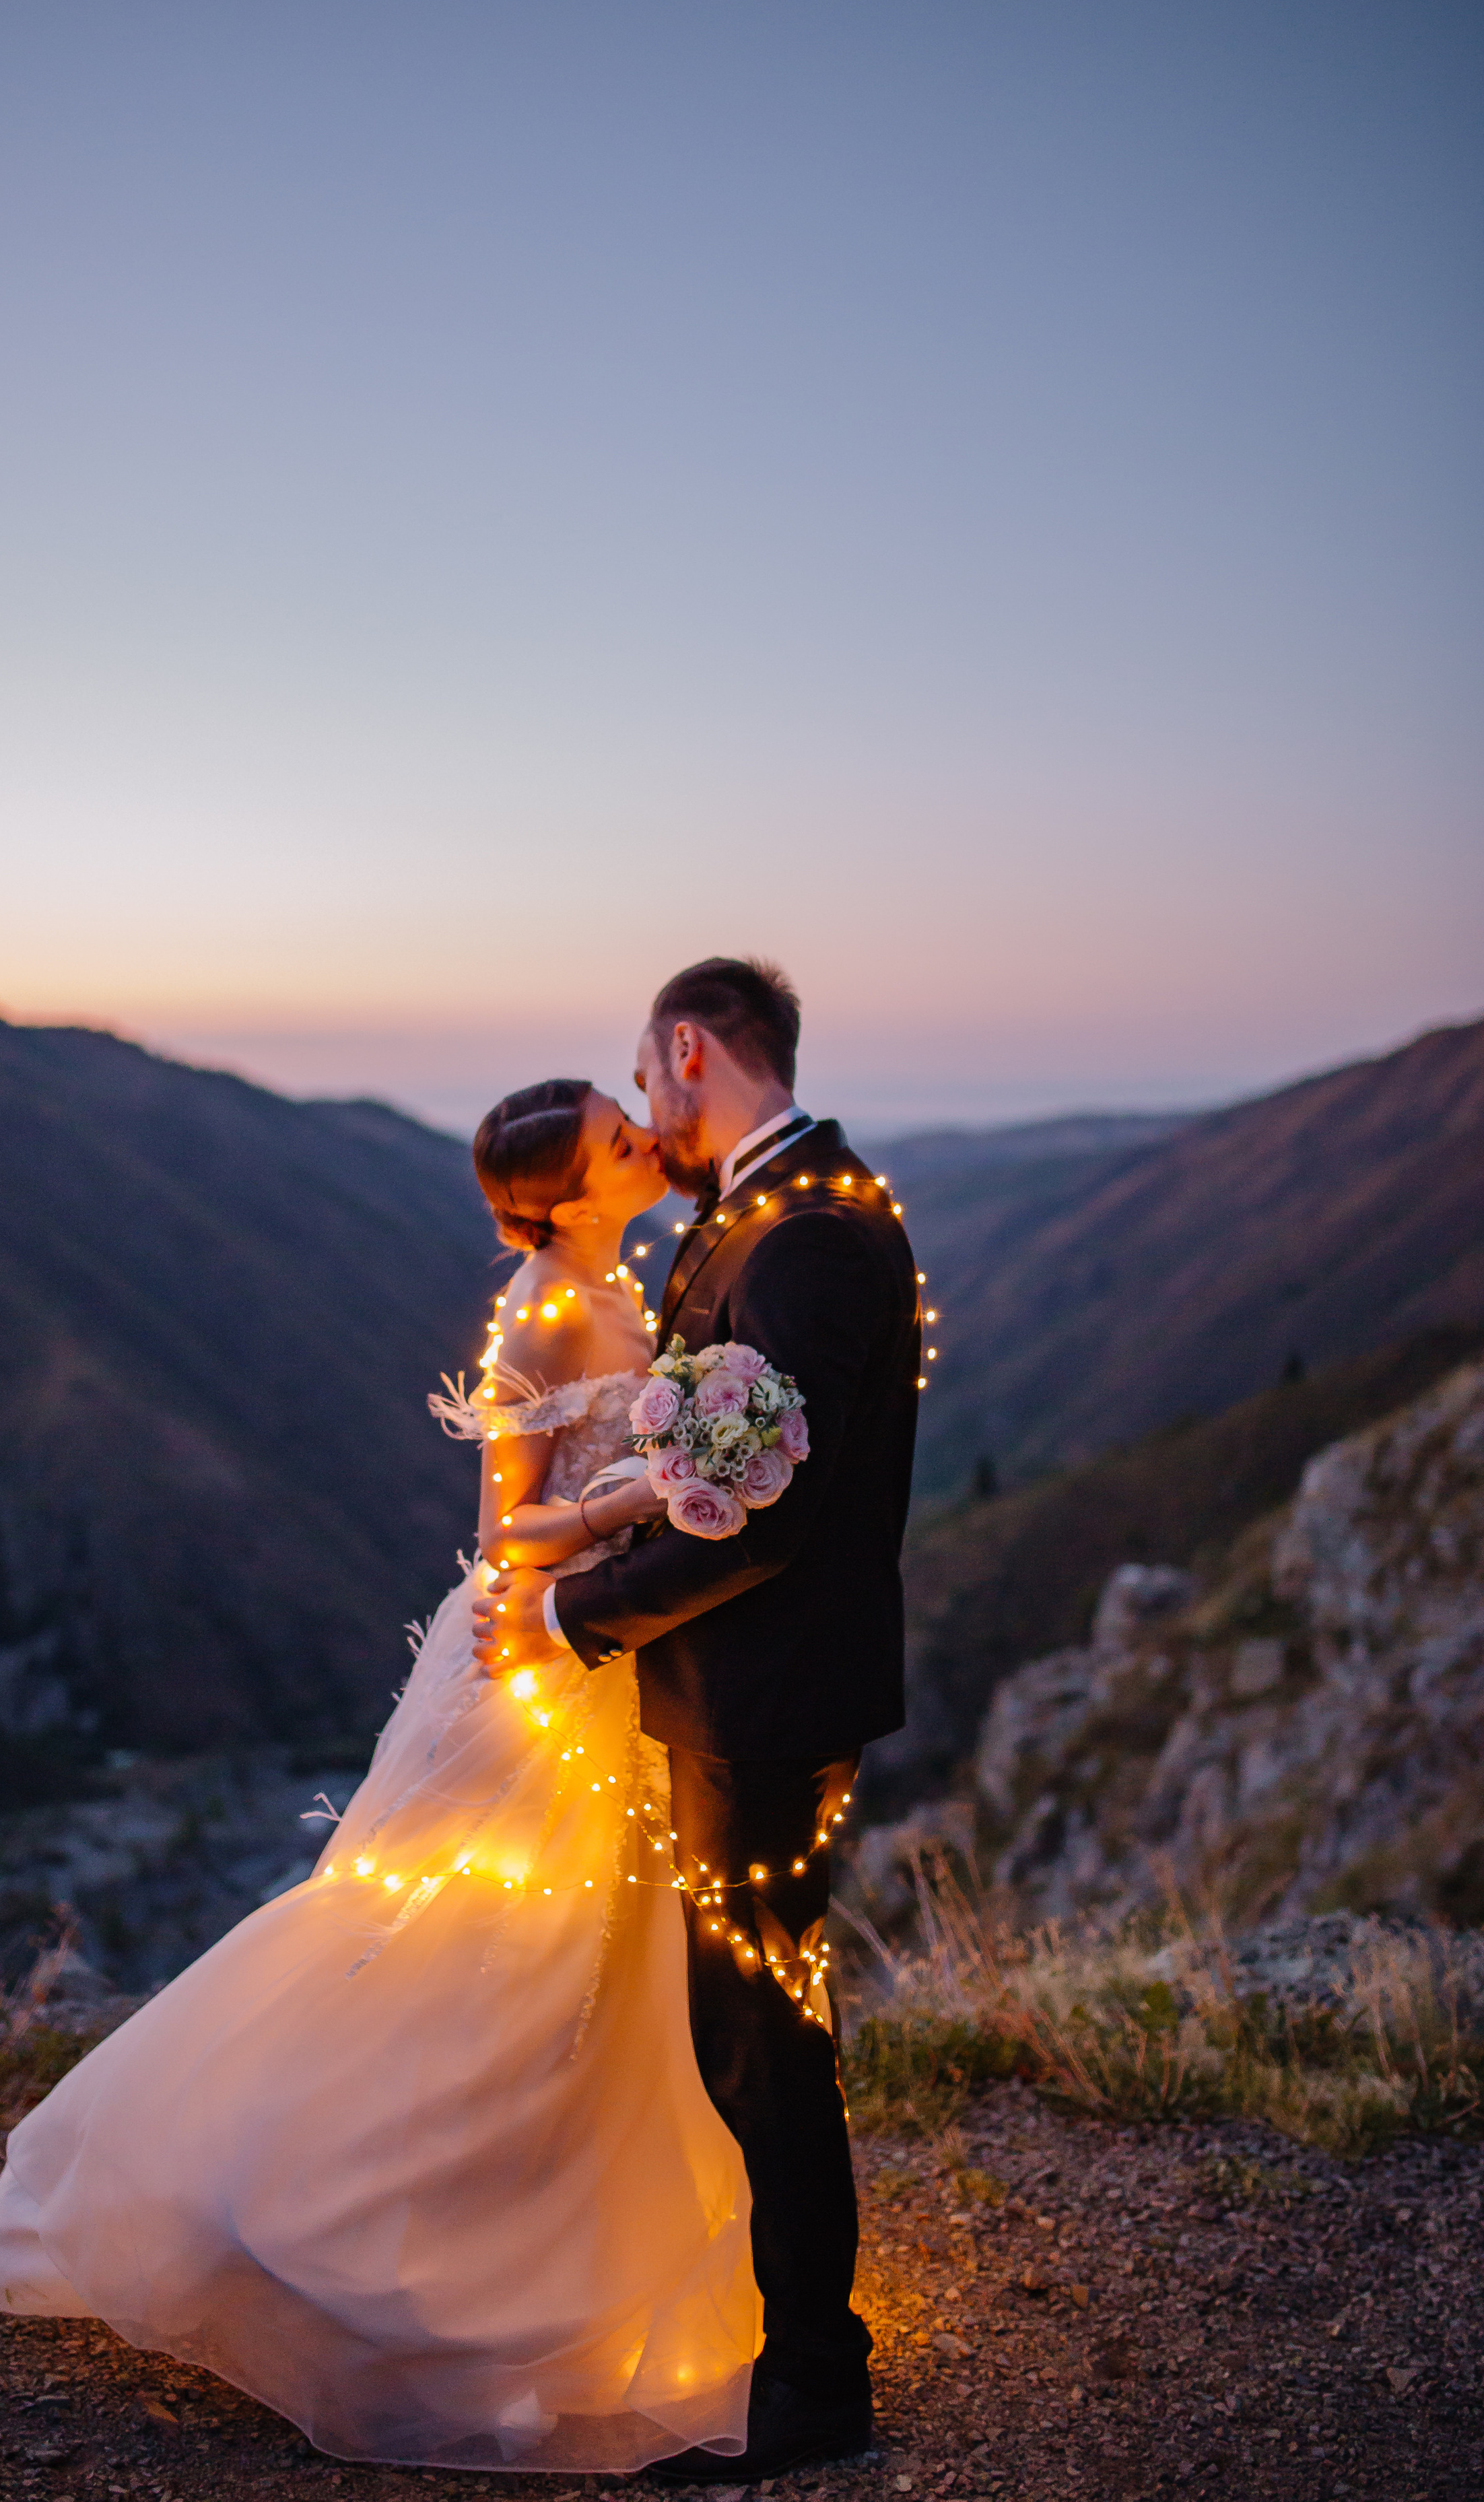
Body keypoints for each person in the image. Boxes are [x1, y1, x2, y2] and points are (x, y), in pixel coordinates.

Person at [0, 1079, 764, 2472]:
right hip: (535, 1659)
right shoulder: (544, 1311)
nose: (645, 1141)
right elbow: (508, 1528)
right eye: (617, 1139)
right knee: (470, 1952)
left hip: (607, 1653)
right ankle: (312, 2228)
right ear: (570, 1194)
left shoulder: (621, 1286)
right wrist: (654, 1488)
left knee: (580, 1969)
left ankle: (528, 2234)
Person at [473, 957, 922, 2481]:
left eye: (642, 1075)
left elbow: (760, 1519)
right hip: (743, 1690)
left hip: (764, 1701)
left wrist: (569, 1616)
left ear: (686, 1051)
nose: (640, 1107)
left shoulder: (804, 1232)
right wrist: (599, 1523)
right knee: (745, 2024)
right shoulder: (765, 1207)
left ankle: (813, 2386)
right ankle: (777, 2343)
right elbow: (696, 1471)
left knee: (760, 2038)